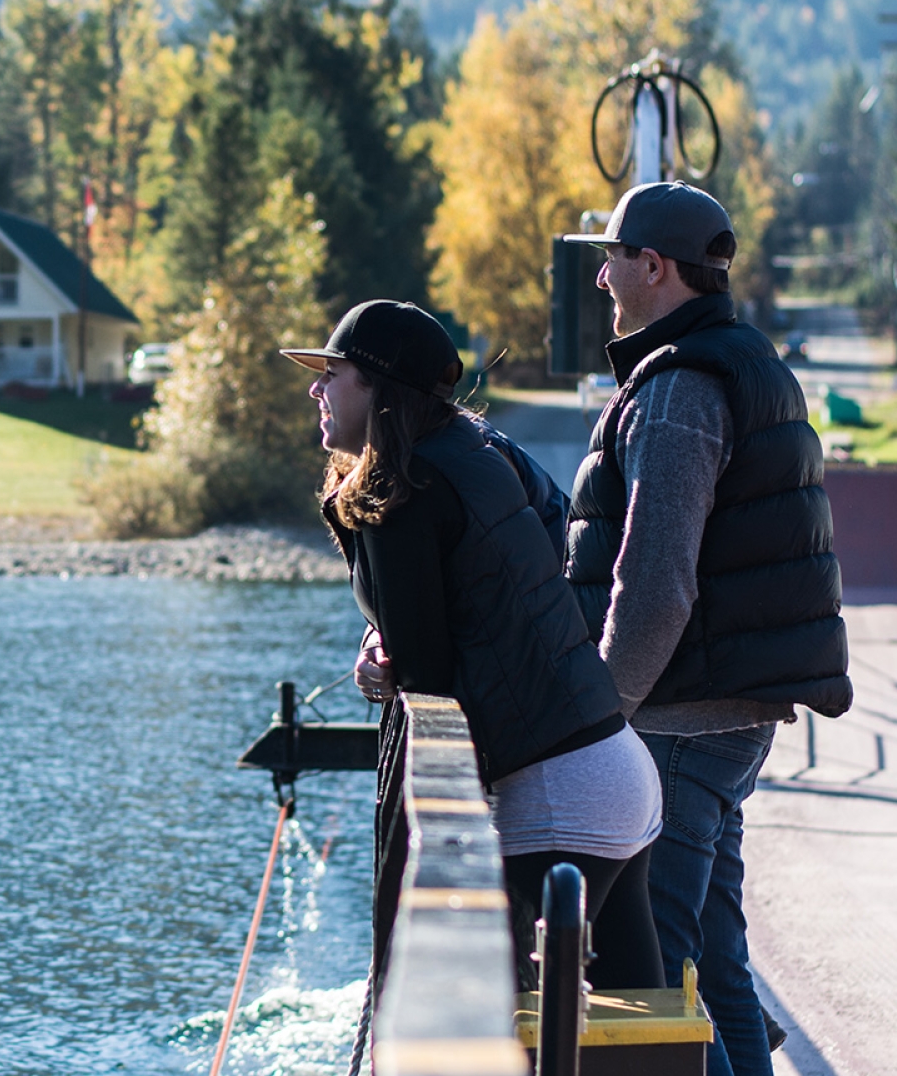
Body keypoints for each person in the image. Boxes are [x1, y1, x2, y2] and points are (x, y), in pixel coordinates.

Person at [286, 299, 665, 991]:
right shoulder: (476, 450)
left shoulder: (398, 487)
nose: (316, 388)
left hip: (558, 794)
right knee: (641, 1041)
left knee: (490, 1028)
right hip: (616, 765)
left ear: (378, 385)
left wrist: (385, 668)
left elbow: (427, 673)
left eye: (331, 372)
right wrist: (391, 633)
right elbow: (544, 541)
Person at [565, 182, 854, 1076]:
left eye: (611, 258)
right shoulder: (746, 359)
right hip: (726, 718)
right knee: (720, 969)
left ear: (654, 267)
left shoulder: (681, 389)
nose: (603, 278)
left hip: (681, 725)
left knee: (660, 974)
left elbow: (655, 590)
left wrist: (597, 722)